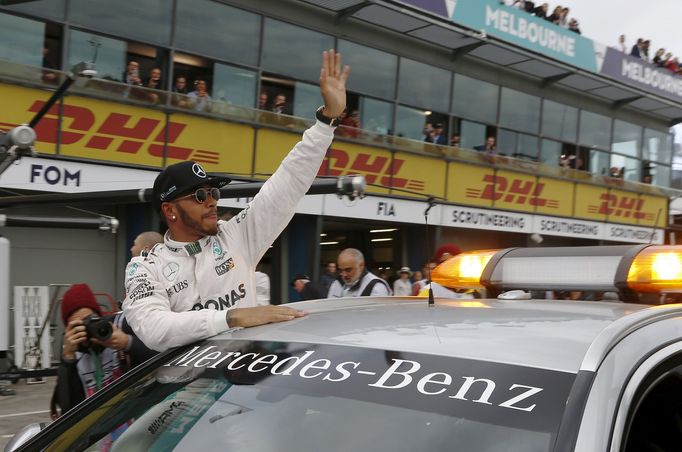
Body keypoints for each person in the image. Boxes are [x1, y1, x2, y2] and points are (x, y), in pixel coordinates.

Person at [123, 50, 350, 352]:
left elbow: (287, 183)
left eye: (214, 193)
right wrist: (233, 317)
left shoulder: (236, 236)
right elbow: (154, 329)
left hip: (241, 388)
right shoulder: (145, 268)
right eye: (200, 195)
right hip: (184, 393)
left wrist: (326, 123)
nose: (212, 202)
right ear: (170, 210)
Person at [51, 284, 155, 419]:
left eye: (90, 320)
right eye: (78, 326)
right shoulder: (73, 351)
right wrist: (67, 360)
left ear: (100, 316)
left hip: (137, 419)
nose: (87, 329)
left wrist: (127, 343)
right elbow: (68, 411)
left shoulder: (120, 326)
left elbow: (164, 357)